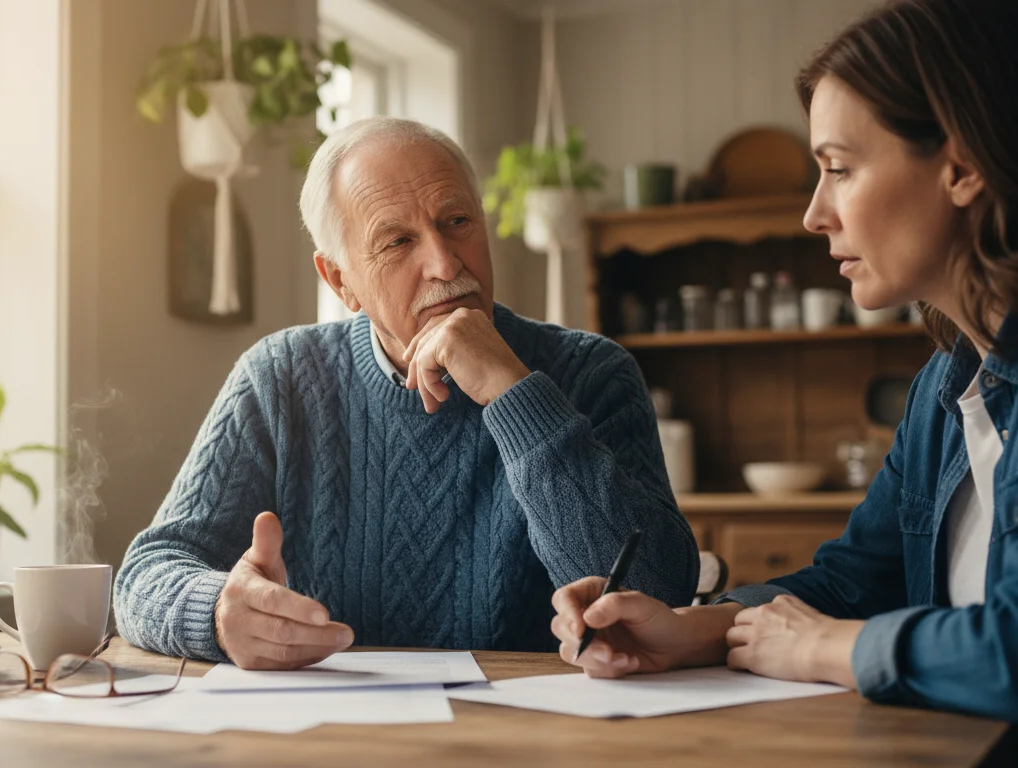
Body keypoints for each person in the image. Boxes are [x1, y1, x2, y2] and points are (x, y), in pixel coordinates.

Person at [550, 0, 1018, 762]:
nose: (813, 213)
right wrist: (688, 627)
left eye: (838, 169)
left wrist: (828, 649)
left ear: (964, 165)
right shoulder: (946, 386)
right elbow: (853, 581)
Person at [115, 117, 700, 671]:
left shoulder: (592, 371)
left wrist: (513, 393)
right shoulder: (280, 377)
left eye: (458, 223)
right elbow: (145, 574)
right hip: (331, 735)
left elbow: (658, 590)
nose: (446, 264)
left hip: (534, 733)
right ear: (340, 280)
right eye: (397, 242)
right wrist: (218, 613)